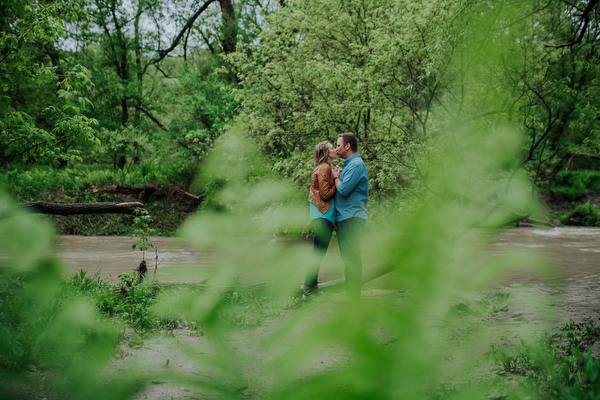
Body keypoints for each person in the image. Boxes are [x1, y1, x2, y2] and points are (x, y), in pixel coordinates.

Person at [332, 132, 369, 300]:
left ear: (347, 146)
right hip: (346, 217)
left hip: (352, 217)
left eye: (338, 145)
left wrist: (336, 178)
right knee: (348, 257)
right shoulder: (350, 166)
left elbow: (344, 189)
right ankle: (350, 295)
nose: (336, 148)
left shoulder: (356, 165)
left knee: (352, 257)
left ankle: (353, 298)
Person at [304, 141, 338, 296]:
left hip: (322, 215)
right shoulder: (324, 168)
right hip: (322, 215)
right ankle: (308, 289)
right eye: (332, 147)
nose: (335, 149)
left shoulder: (325, 168)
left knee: (319, 252)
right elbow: (325, 194)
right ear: (325, 152)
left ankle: (312, 288)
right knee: (318, 253)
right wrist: (337, 182)